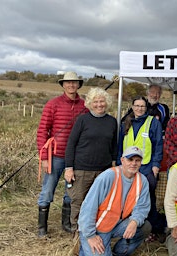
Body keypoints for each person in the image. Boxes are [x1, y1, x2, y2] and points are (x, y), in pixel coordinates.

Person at [36, 71, 88, 237]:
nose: (71, 85)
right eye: (68, 83)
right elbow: (43, 131)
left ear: (78, 84)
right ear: (63, 85)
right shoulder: (53, 104)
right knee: (47, 190)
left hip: (75, 157)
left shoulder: (84, 106)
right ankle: (42, 228)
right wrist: (44, 157)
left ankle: (66, 223)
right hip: (56, 156)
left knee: (70, 191)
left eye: (74, 82)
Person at [77, 146, 151, 256]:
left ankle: (119, 252)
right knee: (94, 248)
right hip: (97, 227)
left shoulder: (142, 181)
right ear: (122, 160)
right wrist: (90, 236)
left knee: (145, 227)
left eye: (137, 160)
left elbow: (142, 207)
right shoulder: (108, 176)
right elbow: (88, 207)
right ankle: (86, 245)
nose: (133, 163)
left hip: (117, 224)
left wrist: (134, 221)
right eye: (130, 160)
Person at [64, 87, 118, 233]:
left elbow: (114, 145)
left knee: (99, 202)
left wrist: (113, 165)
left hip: (103, 170)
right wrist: (69, 168)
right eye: (96, 102)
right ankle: (77, 232)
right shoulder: (83, 120)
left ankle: (96, 231)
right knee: (78, 202)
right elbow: (71, 144)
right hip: (81, 170)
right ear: (90, 103)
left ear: (106, 103)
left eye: (102, 101)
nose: (99, 104)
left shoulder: (112, 122)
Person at [118, 96, 164, 240]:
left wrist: (156, 166)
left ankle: (152, 229)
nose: (139, 108)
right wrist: (119, 164)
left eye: (142, 106)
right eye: (137, 105)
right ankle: (129, 228)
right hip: (127, 167)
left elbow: (158, 145)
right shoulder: (125, 122)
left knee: (148, 200)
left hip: (146, 167)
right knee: (127, 198)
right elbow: (120, 145)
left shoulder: (153, 123)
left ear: (146, 108)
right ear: (132, 106)